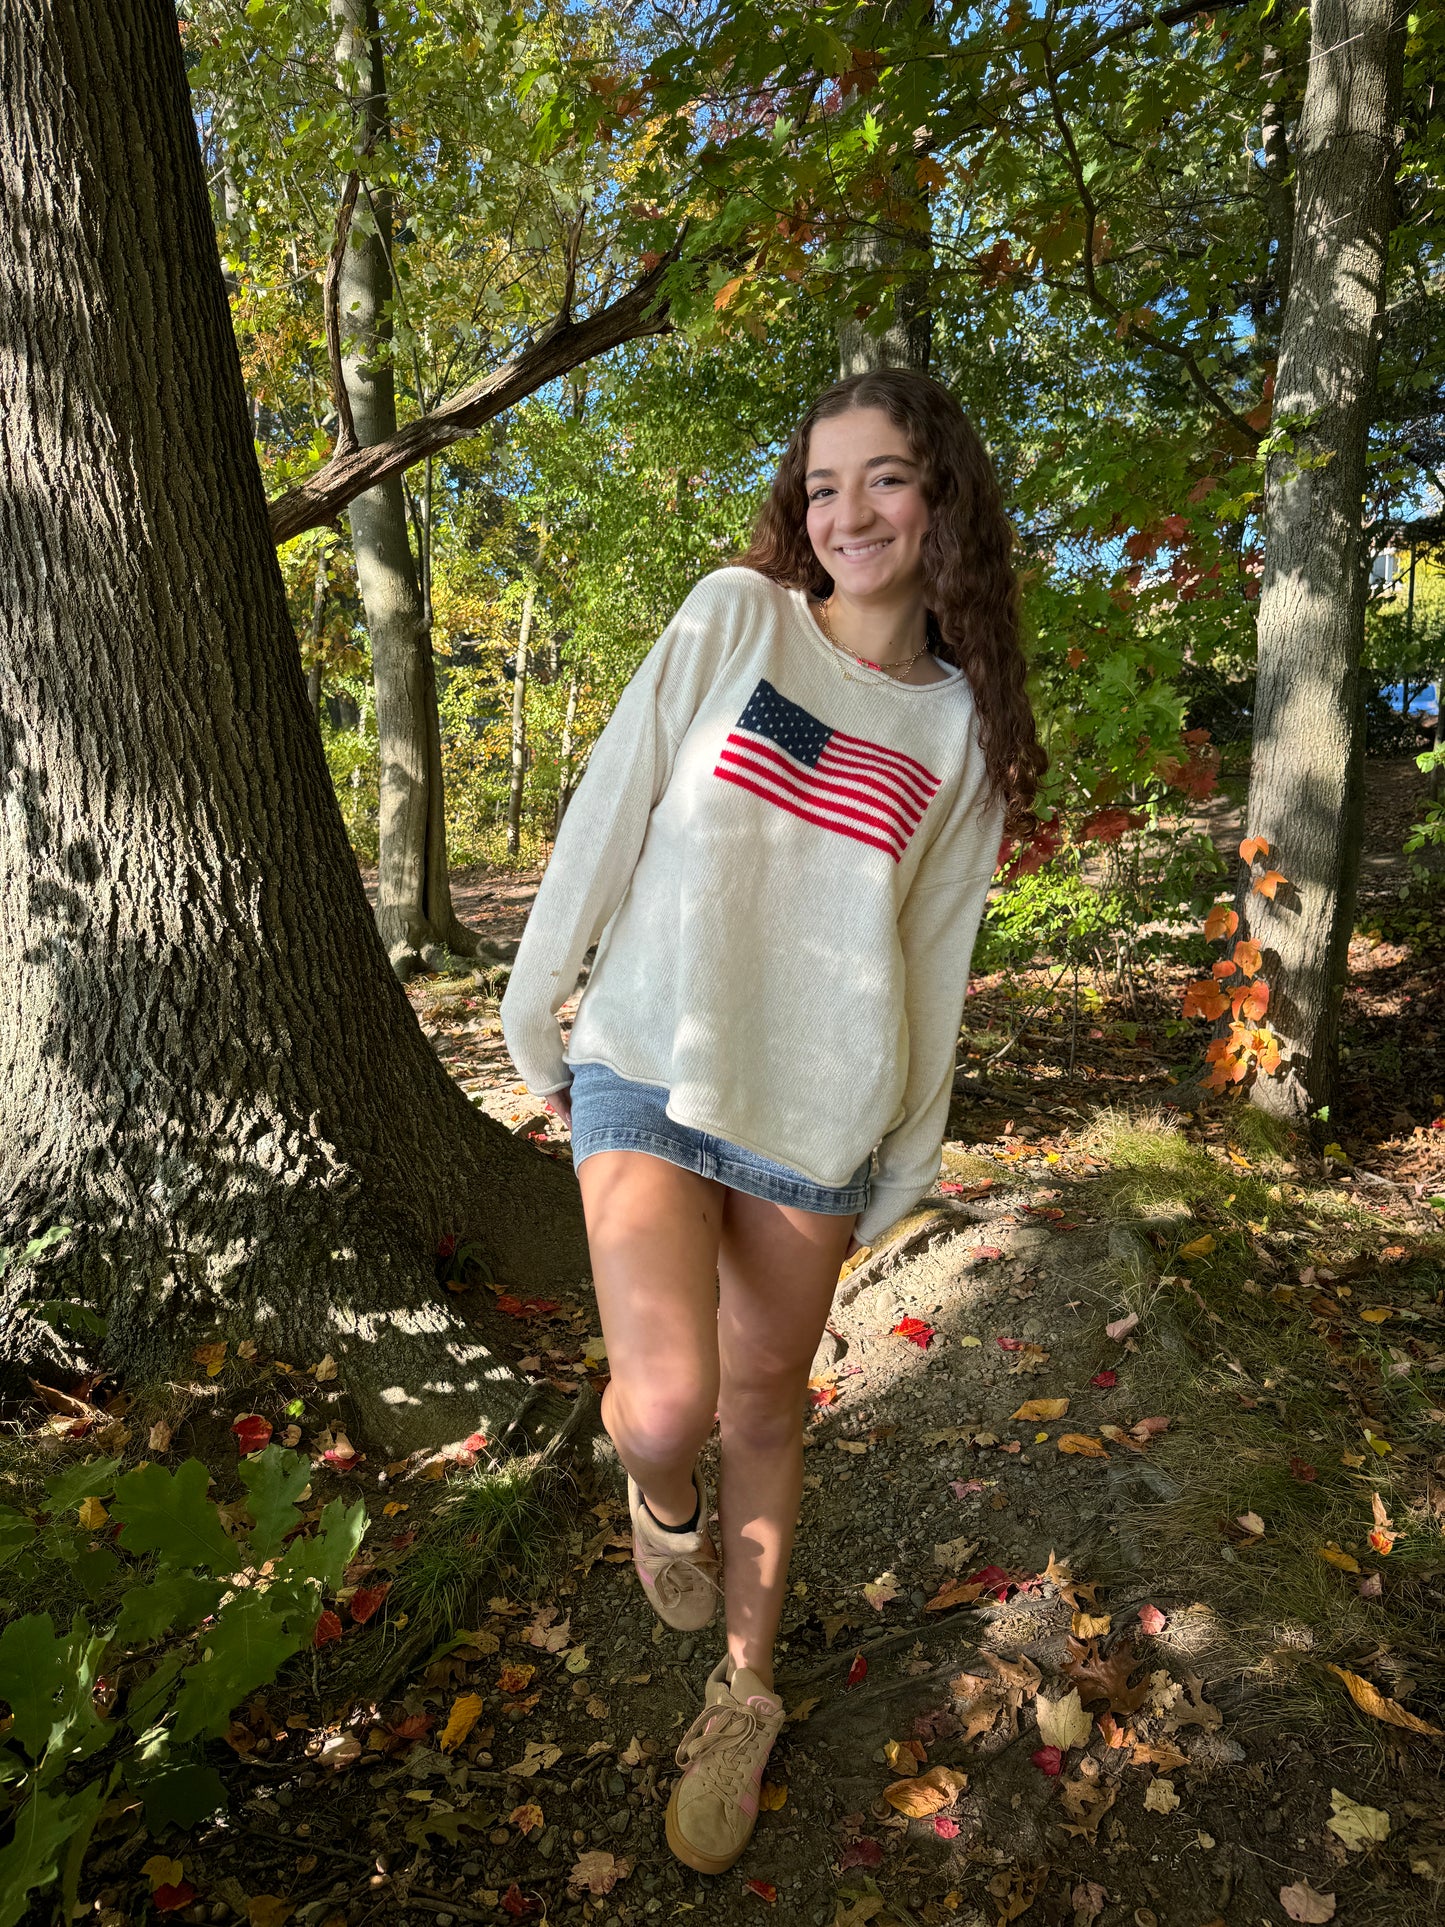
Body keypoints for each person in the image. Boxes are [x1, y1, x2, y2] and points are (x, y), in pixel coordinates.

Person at [499, 367, 1044, 1875]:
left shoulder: (960, 732)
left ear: (942, 500)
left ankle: (743, 1690)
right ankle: (651, 1499)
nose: (846, 511)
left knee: (765, 1407)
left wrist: (912, 1151)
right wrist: (531, 999)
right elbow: (610, 804)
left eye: (883, 479)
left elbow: (935, 957)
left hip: (817, 1107)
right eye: (821, 484)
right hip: (646, 1064)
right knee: (666, 1410)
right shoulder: (734, 618)